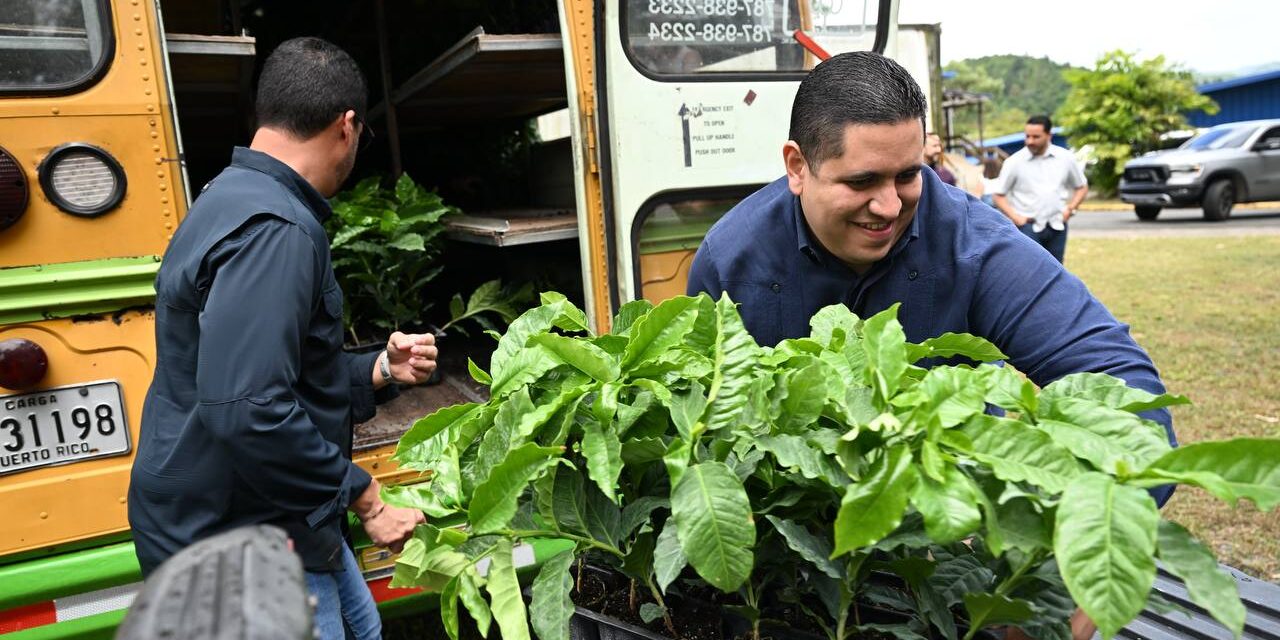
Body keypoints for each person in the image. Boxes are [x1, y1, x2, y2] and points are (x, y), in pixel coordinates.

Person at [686, 51, 1175, 640]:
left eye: (908, 174)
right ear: (797, 166)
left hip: (951, 547)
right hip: (800, 556)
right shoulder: (729, 258)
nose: (889, 206)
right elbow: (711, 430)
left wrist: (1071, 554)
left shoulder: (975, 245)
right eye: (862, 181)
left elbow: (1128, 392)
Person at [128, 37, 434, 640]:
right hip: (239, 538)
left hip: (272, 514)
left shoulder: (227, 196)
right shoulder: (278, 229)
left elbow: (265, 373)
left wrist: (379, 370)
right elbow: (248, 406)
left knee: (363, 626)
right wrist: (367, 498)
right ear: (347, 127)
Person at [991, 115, 1088, 263]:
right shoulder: (1014, 162)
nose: (1030, 141)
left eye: (1036, 137)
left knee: (1057, 272)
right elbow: (998, 195)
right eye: (1027, 136)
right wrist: (1016, 218)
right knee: (1030, 271)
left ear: (1049, 135)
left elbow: (1081, 187)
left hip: (1057, 225)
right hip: (1027, 227)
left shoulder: (1065, 158)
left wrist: (1070, 209)